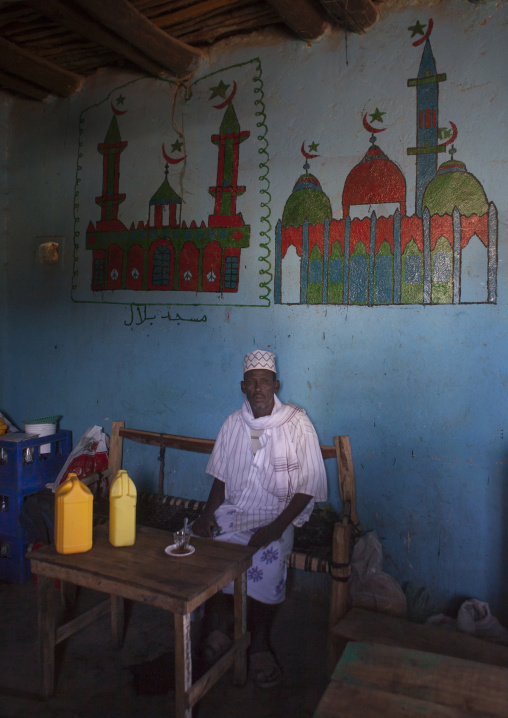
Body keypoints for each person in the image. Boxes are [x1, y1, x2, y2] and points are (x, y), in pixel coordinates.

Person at [192, 350, 327, 687]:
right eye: (251, 382)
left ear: (276, 385)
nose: (258, 388)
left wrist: (274, 528)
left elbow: (308, 486)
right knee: (204, 550)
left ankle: (259, 643)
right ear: (242, 386)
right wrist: (207, 514)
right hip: (235, 512)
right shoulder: (233, 424)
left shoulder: (297, 422)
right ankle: (220, 629)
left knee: (266, 560)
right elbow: (221, 479)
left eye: (264, 381)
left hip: (276, 517)